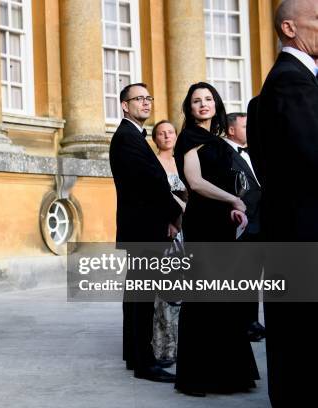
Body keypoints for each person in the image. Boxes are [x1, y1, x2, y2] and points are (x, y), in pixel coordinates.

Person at [250, 1, 318, 406]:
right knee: (302, 333)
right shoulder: (291, 80)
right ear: (289, 28)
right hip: (303, 232)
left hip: (293, 231)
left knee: (297, 332)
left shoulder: (291, 80)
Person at [173, 82, 259, 397]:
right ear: (189, 108)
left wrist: (232, 208)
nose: (203, 104)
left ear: (216, 104)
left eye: (208, 99)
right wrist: (234, 201)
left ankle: (228, 376)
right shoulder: (190, 137)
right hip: (203, 225)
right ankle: (198, 377)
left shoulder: (214, 139)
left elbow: (222, 182)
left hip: (220, 223)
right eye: (196, 100)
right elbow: (194, 182)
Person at [109, 83, 182, 383]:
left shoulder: (133, 137)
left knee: (136, 297)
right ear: (125, 105)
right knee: (141, 298)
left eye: (149, 98)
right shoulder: (126, 138)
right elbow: (151, 182)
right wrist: (174, 213)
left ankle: (134, 356)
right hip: (142, 228)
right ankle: (144, 363)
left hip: (139, 227)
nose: (146, 103)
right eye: (139, 99)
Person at [224, 112, 265, 342]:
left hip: (259, 223)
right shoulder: (225, 152)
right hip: (242, 222)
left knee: (253, 278)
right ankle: (242, 323)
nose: (249, 130)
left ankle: (251, 320)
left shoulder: (252, 153)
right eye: (245, 126)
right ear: (231, 130)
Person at [150, 120, 187, 367]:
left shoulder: (184, 161)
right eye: (161, 133)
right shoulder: (153, 163)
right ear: (155, 139)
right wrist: (170, 222)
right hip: (168, 232)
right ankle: (165, 348)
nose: (167, 136)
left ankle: (185, 344)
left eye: (170, 132)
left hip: (187, 231)